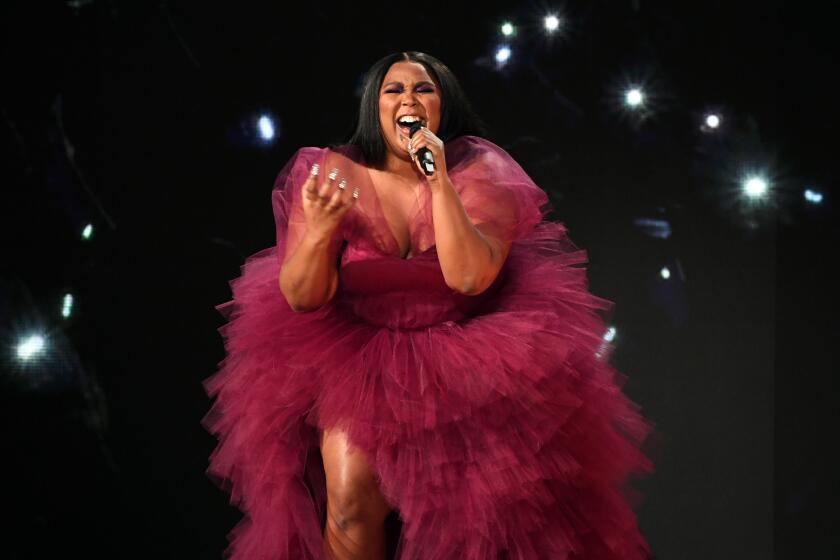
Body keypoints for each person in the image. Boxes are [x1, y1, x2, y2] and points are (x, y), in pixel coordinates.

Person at [203, 51, 655, 560]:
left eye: (423, 89)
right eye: (393, 90)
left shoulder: (481, 172)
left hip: (469, 362)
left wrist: (439, 180)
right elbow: (302, 296)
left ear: (444, 106)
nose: (408, 100)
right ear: (375, 106)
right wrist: (321, 232)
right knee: (350, 505)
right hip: (359, 360)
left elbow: (468, 277)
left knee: (472, 526)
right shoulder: (334, 170)